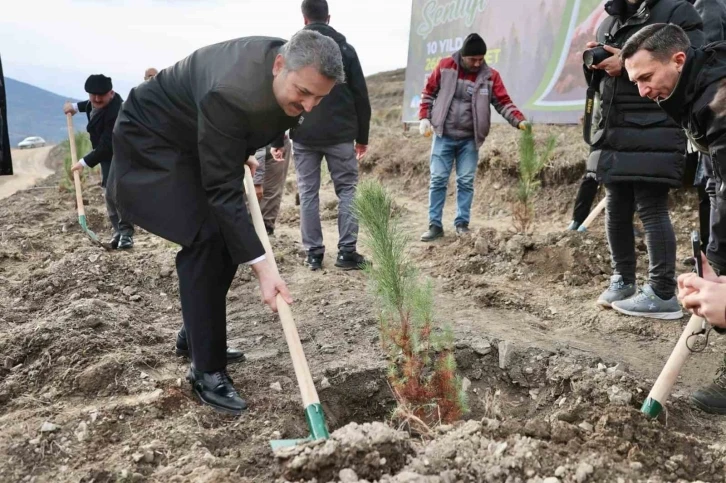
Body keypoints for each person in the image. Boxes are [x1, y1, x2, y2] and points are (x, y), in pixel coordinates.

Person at [107, 31, 344, 415]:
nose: (309, 105)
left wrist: (237, 151)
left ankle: (197, 337)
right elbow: (222, 190)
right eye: (303, 92)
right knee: (208, 240)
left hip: (193, 135)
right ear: (280, 65)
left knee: (224, 240)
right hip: (154, 139)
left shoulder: (286, 68)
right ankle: (206, 370)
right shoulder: (230, 92)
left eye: (319, 97)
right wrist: (263, 267)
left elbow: (240, 127)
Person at [620, 22, 726, 413]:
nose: (642, 90)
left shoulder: (718, 94)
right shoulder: (693, 91)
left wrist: (723, 261)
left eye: (646, 77)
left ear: (678, 60)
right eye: (635, 81)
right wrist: (715, 253)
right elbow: (717, 178)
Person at [580, 0, 703, 319]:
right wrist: (595, 65)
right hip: (613, 129)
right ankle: (622, 280)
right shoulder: (608, 21)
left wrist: (626, 63)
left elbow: (694, 63)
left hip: (656, 125)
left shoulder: (677, 12)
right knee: (616, 204)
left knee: (651, 206)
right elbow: (603, 84)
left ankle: (662, 291)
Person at [418, 33, 529, 242]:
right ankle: (434, 225)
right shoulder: (445, 66)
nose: (478, 63)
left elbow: (503, 102)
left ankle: (462, 224)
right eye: (473, 59)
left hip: (470, 139)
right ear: (463, 55)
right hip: (444, 135)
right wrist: (424, 117)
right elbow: (428, 93)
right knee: (438, 179)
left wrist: (519, 120)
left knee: (466, 181)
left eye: (481, 59)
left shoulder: (490, 76)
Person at [290, 0, 371, 271]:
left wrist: (279, 136)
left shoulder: (293, 51)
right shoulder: (345, 50)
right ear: (328, 17)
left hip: (303, 132)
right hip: (340, 134)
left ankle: (313, 254)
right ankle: (347, 253)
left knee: (308, 192)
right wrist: (363, 137)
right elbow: (361, 95)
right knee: (347, 190)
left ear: (304, 19)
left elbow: (280, 94)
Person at [63, 74, 134, 249]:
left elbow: (107, 144)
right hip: (106, 154)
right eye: (92, 94)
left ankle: (126, 235)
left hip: (122, 151)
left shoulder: (116, 111)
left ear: (111, 93)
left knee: (115, 192)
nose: (96, 99)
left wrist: (83, 162)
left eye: (100, 95)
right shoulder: (95, 102)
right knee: (107, 193)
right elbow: (87, 105)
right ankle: (117, 231)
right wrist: (72, 107)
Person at [253, 133, 293, 236]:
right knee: (251, 194)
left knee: (271, 191)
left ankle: (266, 230)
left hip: (276, 142)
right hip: (255, 145)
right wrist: (257, 182)